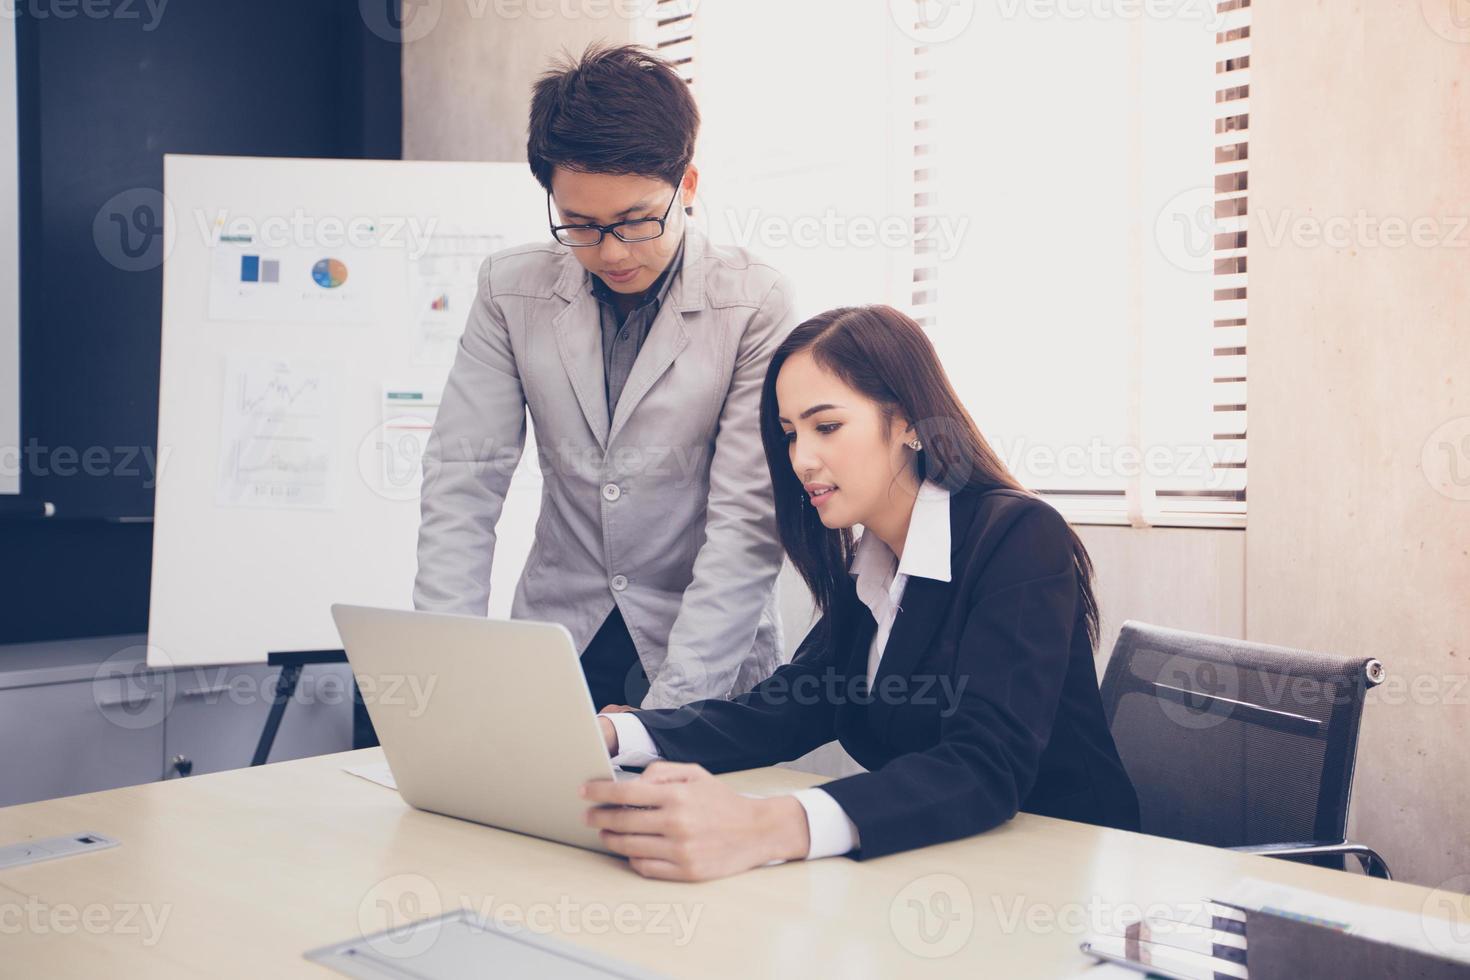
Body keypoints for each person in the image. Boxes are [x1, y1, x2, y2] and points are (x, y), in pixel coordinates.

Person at [581, 304, 1141, 881]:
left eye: (826, 427)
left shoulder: (1018, 537)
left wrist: (768, 826)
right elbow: (796, 704)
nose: (802, 459)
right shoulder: (872, 560)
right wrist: (616, 733)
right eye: (790, 434)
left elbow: (984, 766)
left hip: (1062, 871)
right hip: (940, 863)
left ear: (907, 423)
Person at [413, 44, 795, 710]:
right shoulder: (512, 291)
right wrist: (447, 681)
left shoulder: (754, 302)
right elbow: (462, 486)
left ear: (690, 187)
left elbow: (745, 525)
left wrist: (666, 717)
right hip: (560, 645)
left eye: (637, 221)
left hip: (704, 651)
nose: (612, 252)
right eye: (582, 226)